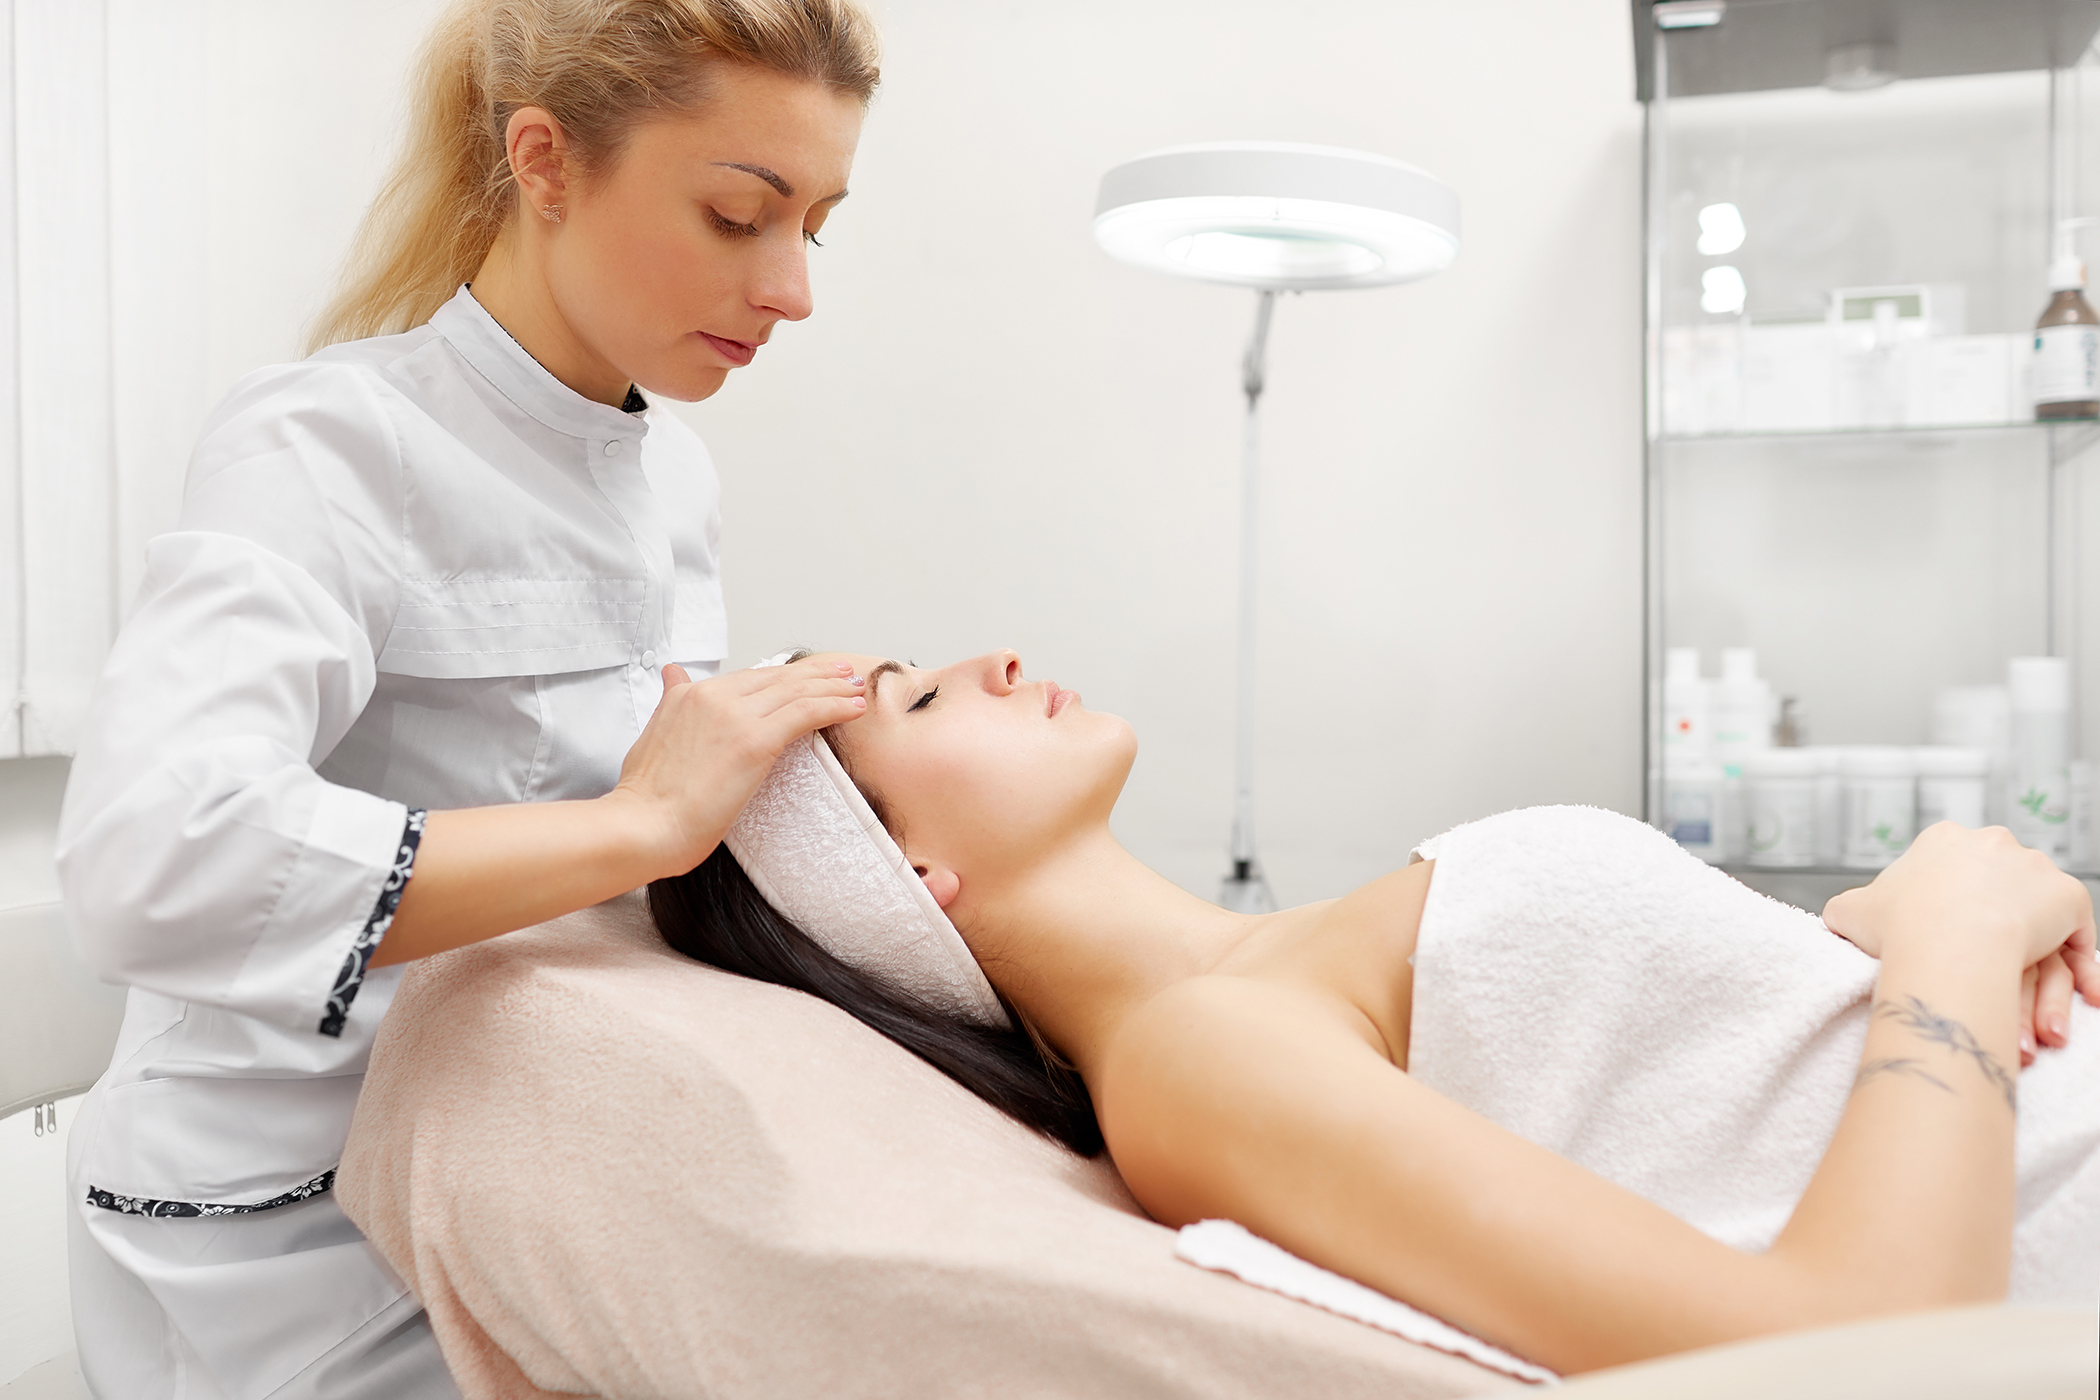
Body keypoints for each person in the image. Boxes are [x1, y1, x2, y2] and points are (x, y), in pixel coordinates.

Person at [54, 4, 882, 1397]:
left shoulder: (673, 483)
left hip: (519, 1167)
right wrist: (642, 825)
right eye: (742, 215)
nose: (793, 287)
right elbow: (152, 858)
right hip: (282, 1225)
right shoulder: (325, 443)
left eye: (819, 223)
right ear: (546, 163)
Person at [650, 647, 2100, 1376]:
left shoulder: (1279, 968)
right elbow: (1851, 1348)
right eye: (916, 701)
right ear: (904, 874)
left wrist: (1866, 934)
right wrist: (1957, 931)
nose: (998, 661)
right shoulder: (1194, 1059)